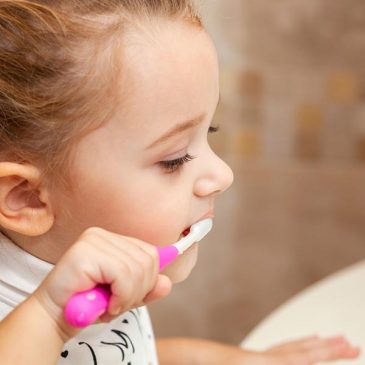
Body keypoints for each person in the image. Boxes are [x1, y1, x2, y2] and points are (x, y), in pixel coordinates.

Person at [0, 1, 360, 364]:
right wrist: (49, 316)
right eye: (174, 159)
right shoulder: (26, 320)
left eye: (210, 131)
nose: (223, 175)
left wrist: (237, 361)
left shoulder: (90, 279)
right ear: (28, 198)